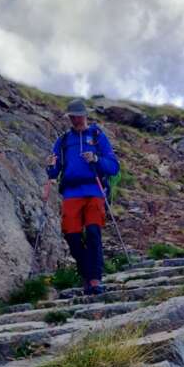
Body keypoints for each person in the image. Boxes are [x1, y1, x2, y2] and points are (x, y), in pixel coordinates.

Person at [43, 99, 120, 295]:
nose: (74, 120)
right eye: (72, 117)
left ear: (85, 115)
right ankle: (87, 274)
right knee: (72, 236)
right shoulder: (63, 141)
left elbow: (113, 166)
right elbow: (53, 172)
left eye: (77, 116)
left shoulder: (97, 135)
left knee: (93, 233)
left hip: (95, 189)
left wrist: (96, 159)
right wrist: (51, 165)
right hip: (71, 192)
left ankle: (94, 280)